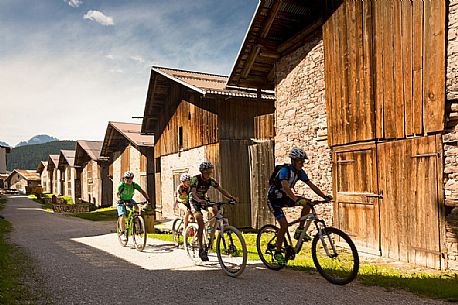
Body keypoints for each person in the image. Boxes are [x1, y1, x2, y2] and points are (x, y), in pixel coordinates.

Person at [267, 147, 332, 265]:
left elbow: (312, 185)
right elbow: (285, 187)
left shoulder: (300, 172)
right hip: (274, 200)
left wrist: (324, 197)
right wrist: (296, 199)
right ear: (293, 160)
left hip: (286, 198)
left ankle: (300, 230)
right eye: (300, 161)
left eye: (303, 161)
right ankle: (277, 252)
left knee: (308, 204)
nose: (302, 164)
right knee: (284, 226)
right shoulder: (285, 171)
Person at [190, 161, 237, 261]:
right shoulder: (196, 179)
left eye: (210, 172)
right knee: (200, 221)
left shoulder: (210, 181)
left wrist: (230, 197)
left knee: (215, 209)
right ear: (202, 172)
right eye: (207, 172)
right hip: (194, 201)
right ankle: (201, 248)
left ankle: (210, 231)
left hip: (204, 199)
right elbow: (193, 193)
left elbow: (221, 189)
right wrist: (199, 200)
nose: (209, 174)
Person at [117, 171, 150, 239]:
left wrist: (148, 199)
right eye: (128, 178)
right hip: (121, 201)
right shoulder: (122, 185)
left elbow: (142, 191)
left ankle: (137, 225)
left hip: (129, 199)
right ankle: (123, 232)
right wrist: (120, 200)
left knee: (137, 209)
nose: (129, 180)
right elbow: (117, 194)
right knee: (122, 215)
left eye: (131, 178)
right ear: (125, 178)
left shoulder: (134, 185)